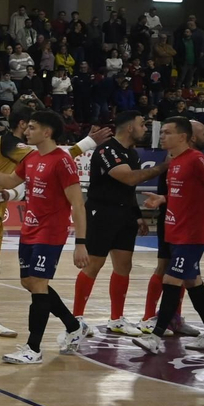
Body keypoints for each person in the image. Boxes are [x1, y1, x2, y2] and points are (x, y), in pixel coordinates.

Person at [0, 109, 90, 363]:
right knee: (29, 282)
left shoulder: (62, 161)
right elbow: (9, 181)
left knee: (39, 285)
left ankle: (33, 348)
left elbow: (77, 204)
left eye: (32, 127)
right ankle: (74, 326)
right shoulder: (31, 158)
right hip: (29, 230)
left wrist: (80, 243)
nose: (27, 131)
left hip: (50, 232)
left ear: (47, 132)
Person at [132, 117, 204, 355]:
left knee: (171, 281)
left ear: (183, 137)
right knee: (193, 283)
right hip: (174, 233)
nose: (162, 136)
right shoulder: (175, 162)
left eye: (167, 132)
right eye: (162, 132)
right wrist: (163, 199)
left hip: (191, 236)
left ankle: (155, 337)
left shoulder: (197, 160)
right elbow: (187, 194)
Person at [71, 112, 167, 334]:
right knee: (93, 265)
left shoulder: (131, 153)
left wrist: (137, 215)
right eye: (142, 124)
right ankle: (76, 319)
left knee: (124, 266)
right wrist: (163, 166)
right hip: (101, 213)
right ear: (130, 127)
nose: (145, 129)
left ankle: (116, 319)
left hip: (124, 215)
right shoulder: (107, 150)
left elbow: (128, 190)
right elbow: (129, 178)